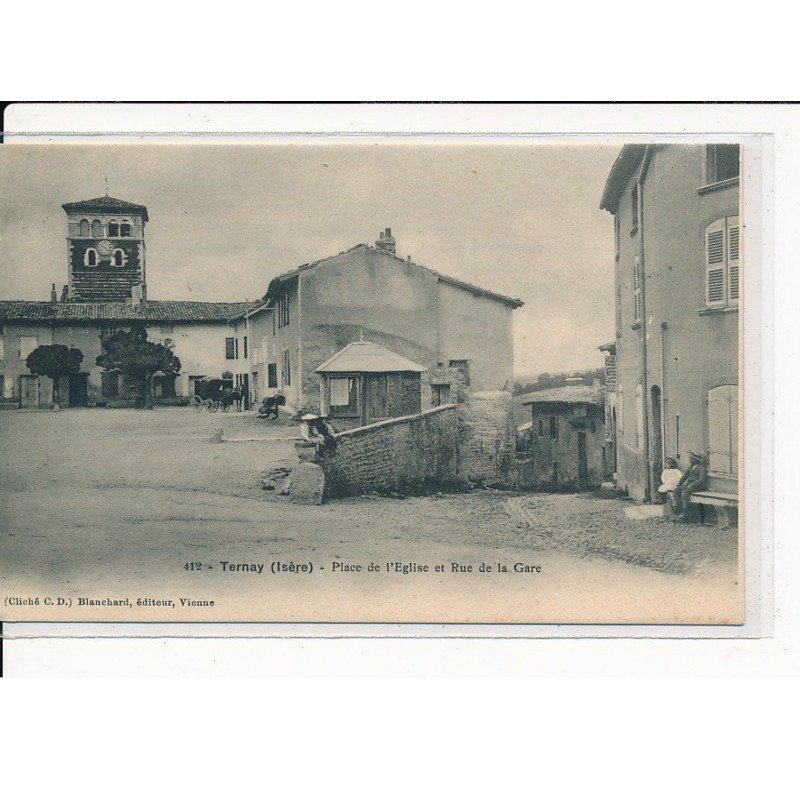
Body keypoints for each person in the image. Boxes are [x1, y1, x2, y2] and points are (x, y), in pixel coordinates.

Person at [672, 450, 708, 522]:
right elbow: (685, 475)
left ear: (695, 459)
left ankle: (685, 514)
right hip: (689, 485)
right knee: (676, 491)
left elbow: (701, 479)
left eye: (690, 458)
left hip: (698, 486)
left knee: (685, 493)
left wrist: (692, 485)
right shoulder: (691, 467)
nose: (689, 459)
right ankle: (678, 511)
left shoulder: (701, 468)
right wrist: (679, 483)